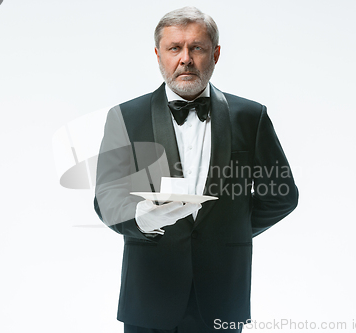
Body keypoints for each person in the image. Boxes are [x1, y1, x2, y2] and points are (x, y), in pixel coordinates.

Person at [94, 6, 299, 333]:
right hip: (148, 297)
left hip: (222, 295)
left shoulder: (250, 116)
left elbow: (282, 196)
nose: (185, 58)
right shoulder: (125, 117)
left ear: (215, 54)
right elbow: (105, 197)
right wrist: (141, 219)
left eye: (197, 48)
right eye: (175, 48)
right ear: (158, 54)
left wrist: (231, 229)